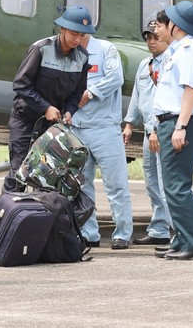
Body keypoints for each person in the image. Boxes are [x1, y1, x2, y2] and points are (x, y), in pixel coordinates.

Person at [3, 6, 94, 193]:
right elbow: (21, 85)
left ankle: (36, 218)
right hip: (26, 119)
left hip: (52, 127)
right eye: (74, 34)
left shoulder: (82, 58)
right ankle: (8, 217)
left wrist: (69, 111)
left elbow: (78, 92)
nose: (77, 40)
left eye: (82, 36)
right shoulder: (40, 49)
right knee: (19, 171)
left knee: (47, 175)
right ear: (62, 29)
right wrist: (45, 108)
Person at [151, 1, 193, 260]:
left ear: (176, 25)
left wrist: (180, 126)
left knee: (177, 187)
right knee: (172, 187)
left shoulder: (189, 50)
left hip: (180, 121)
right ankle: (182, 239)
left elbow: (190, 90)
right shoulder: (179, 50)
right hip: (171, 121)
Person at [72, 32, 134, 249]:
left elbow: (116, 78)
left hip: (104, 128)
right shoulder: (70, 53)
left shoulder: (107, 50)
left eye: (78, 32)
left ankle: (123, 233)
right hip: (77, 128)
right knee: (82, 185)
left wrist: (89, 93)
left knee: (116, 184)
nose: (75, 36)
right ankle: (89, 233)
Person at [123, 22, 172, 245]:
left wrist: (154, 130)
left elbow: (164, 101)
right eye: (148, 38)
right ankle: (160, 229)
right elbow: (138, 97)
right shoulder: (145, 65)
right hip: (147, 133)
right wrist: (129, 123)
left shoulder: (171, 64)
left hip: (161, 130)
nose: (151, 42)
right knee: (152, 182)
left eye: (155, 37)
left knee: (168, 183)